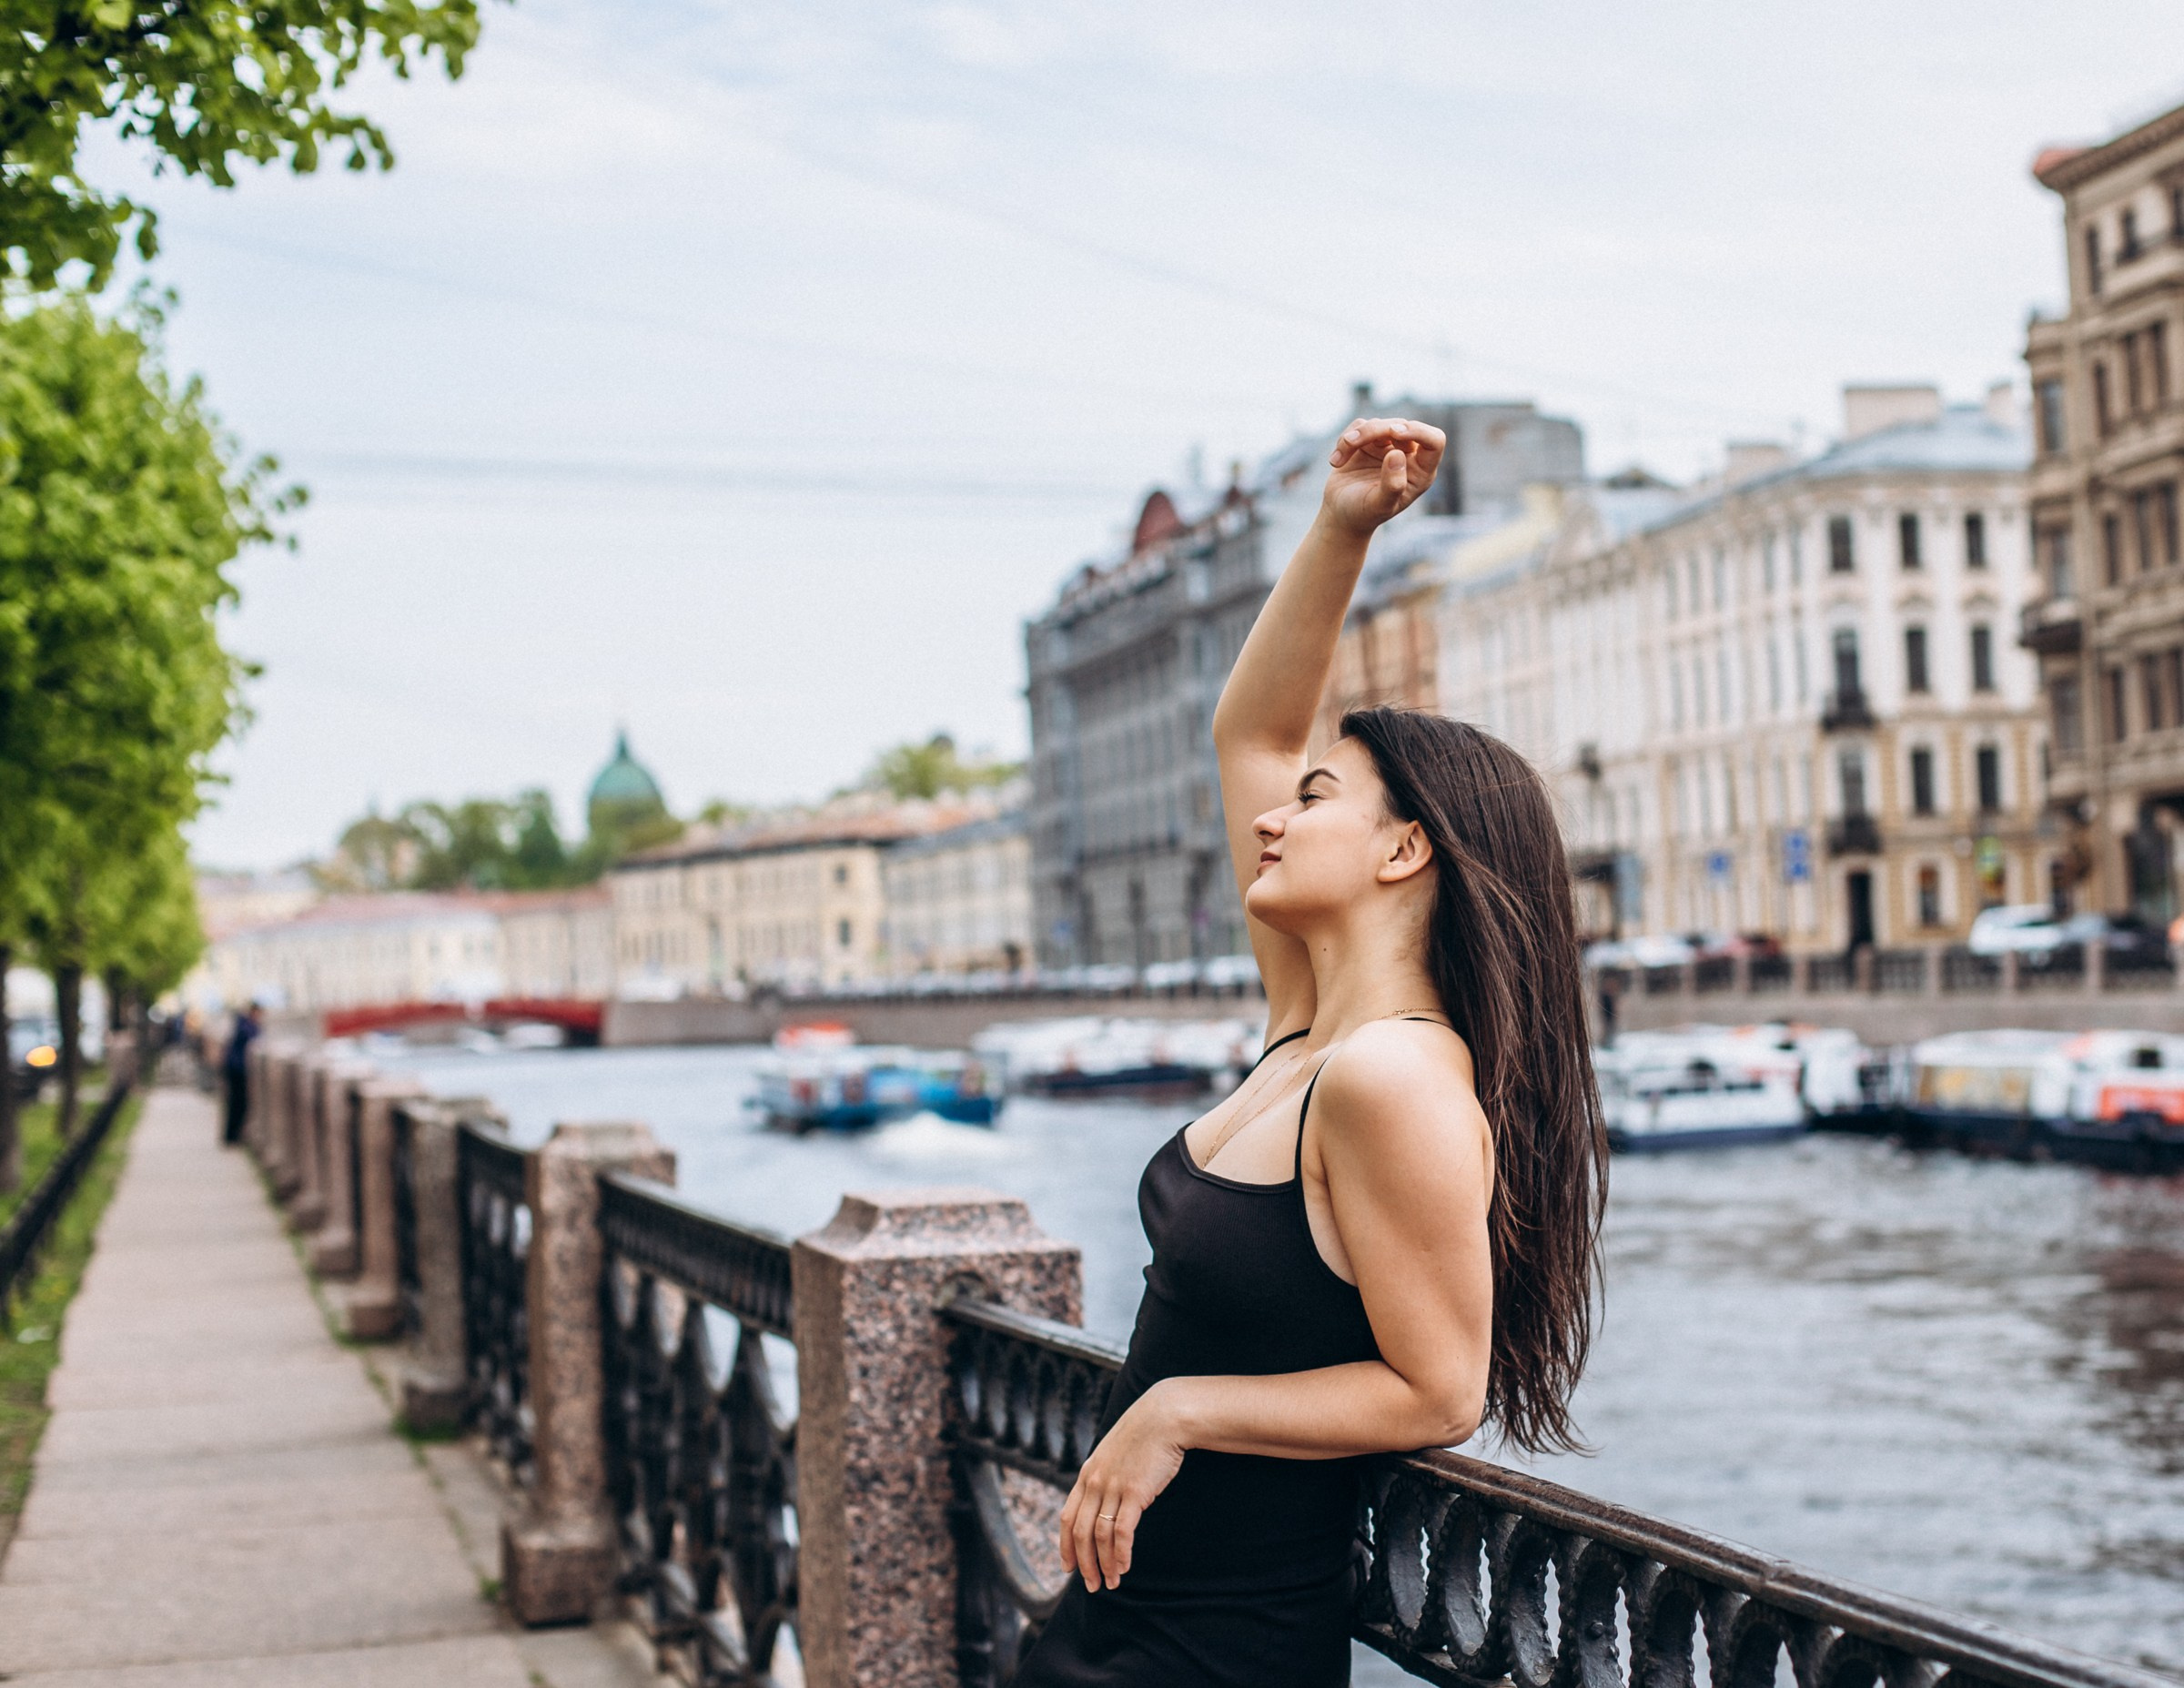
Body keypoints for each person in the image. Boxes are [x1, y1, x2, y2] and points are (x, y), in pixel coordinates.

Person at [1013, 418, 1608, 1688]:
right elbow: (1250, 735)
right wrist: (1344, 524)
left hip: (1217, 1652)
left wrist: (1178, 1408)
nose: (1279, 814)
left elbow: (1438, 1388)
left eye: (1323, 798)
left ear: (1407, 850)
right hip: (1113, 1625)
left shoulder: (1392, 1076)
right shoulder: (1305, 1027)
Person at [220, 1001, 261, 1147]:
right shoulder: (245, 1025)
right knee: (238, 1103)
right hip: (238, 1069)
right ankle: (232, 1136)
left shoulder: (241, 1023)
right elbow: (253, 1038)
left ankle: (231, 1135)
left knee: (235, 1103)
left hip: (235, 1068)